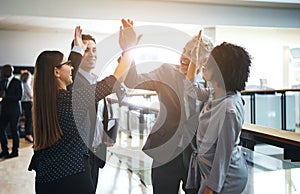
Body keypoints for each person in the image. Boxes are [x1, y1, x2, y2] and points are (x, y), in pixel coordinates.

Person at [28, 19, 137, 194]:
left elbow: (69, 76)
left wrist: (77, 50)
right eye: (67, 64)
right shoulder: (72, 100)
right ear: (56, 72)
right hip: (74, 177)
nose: (71, 67)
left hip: (45, 180)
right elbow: (114, 80)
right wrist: (128, 48)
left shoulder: (45, 102)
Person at [123, 29, 213, 193]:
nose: (184, 56)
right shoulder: (166, 72)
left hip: (195, 157)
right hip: (165, 153)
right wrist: (128, 50)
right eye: (184, 50)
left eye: (192, 53)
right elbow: (133, 81)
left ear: (205, 60)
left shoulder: (211, 84)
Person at [185, 38, 251, 193]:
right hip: (209, 172)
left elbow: (223, 154)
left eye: (211, 62)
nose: (205, 64)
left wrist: (212, 187)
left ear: (221, 69)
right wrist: (194, 60)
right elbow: (190, 89)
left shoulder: (229, 108)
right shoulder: (216, 94)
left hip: (226, 178)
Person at [70, 33, 122, 192]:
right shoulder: (72, 82)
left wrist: (110, 133)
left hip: (96, 149)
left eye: (94, 49)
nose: (91, 54)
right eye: (86, 50)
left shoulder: (96, 79)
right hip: (79, 153)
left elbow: (110, 108)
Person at [0, 64, 23, 158]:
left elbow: (19, 97)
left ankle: (15, 151)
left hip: (14, 110)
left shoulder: (17, 82)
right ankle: (5, 151)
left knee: (14, 130)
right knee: (1, 129)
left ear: (10, 71)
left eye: (3, 70)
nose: (1, 72)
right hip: (4, 110)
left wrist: (6, 97)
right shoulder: (2, 82)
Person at [20, 71, 34, 143]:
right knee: (29, 119)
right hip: (28, 103)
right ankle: (28, 135)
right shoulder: (26, 84)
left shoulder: (21, 84)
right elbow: (31, 95)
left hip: (23, 103)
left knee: (27, 119)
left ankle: (27, 134)